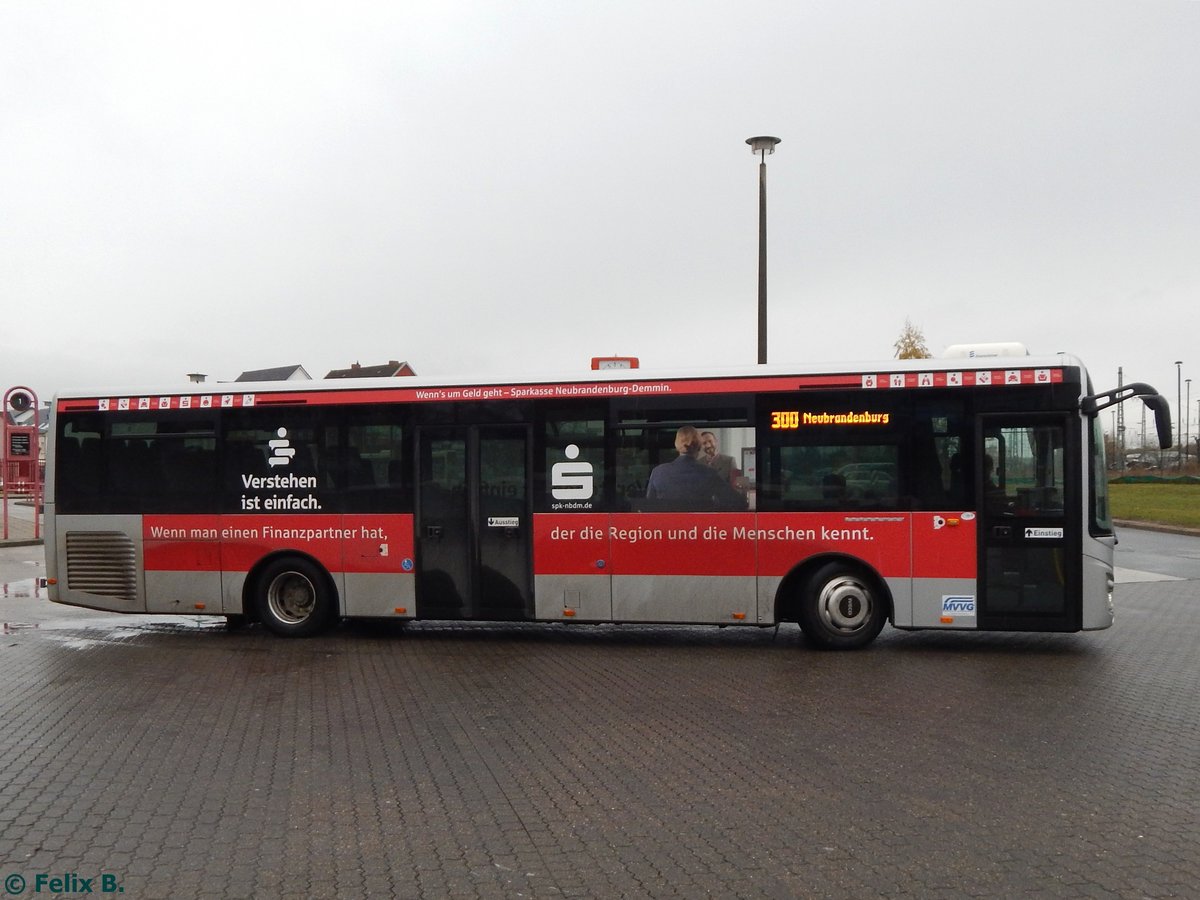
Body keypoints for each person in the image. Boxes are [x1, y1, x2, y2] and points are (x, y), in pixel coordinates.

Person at [646, 425, 745, 508]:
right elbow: (738, 502)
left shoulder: (658, 472)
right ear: (699, 446)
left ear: (677, 445)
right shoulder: (709, 473)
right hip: (702, 528)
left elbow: (648, 506)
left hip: (668, 529)